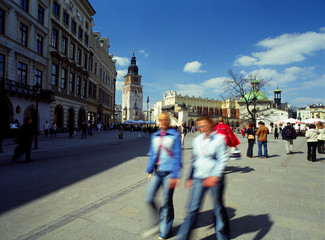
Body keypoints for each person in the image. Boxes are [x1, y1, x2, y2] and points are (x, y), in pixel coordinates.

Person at [177, 115, 230, 240]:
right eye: (199, 126)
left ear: (211, 125)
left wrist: (215, 176)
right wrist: (190, 176)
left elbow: (222, 160)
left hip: (215, 179)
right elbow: (194, 159)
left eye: (204, 125)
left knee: (218, 209)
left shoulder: (219, 139)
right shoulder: (197, 140)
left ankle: (223, 236)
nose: (201, 128)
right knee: (192, 210)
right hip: (199, 178)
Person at [144, 112, 182, 240]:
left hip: (170, 172)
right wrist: (150, 170)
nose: (163, 122)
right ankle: (159, 222)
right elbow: (153, 154)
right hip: (157, 171)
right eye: (161, 120)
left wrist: (175, 176)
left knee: (166, 201)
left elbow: (177, 155)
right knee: (149, 198)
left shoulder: (175, 135)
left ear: (169, 121)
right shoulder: (155, 135)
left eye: (166, 120)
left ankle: (165, 231)